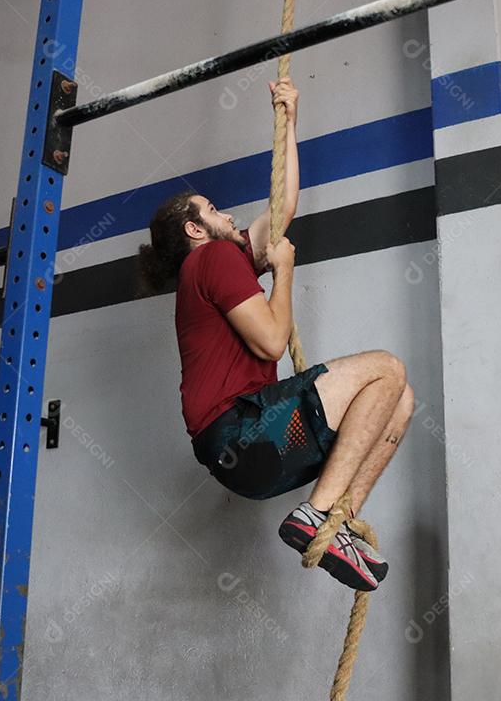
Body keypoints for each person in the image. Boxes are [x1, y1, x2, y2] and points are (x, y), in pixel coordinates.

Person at [138, 77, 414, 592]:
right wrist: (284, 271)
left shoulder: (217, 265)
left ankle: (337, 523)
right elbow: (270, 342)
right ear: (195, 230)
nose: (226, 214)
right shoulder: (211, 259)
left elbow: (280, 210)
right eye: (213, 210)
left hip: (255, 456)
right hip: (242, 434)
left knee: (399, 398)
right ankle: (316, 516)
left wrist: (288, 119)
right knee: (387, 368)